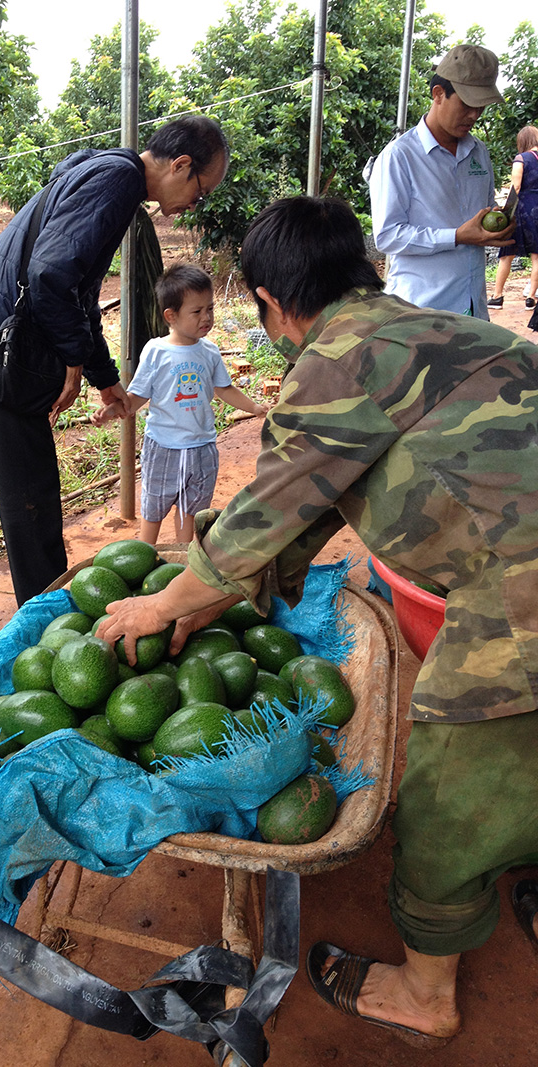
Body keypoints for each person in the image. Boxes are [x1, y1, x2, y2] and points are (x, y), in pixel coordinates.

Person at [98, 195, 538, 1047]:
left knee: (454, 798)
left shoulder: (331, 364)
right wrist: (222, 589)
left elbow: (264, 519)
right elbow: (306, 510)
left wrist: (162, 604)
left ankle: (424, 995)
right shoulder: (443, 329)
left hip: (520, 596)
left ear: (268, 297)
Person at [0, 116, 229, 605]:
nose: (191, 208)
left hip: (4, 335)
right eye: (200, 193)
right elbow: (52, 276)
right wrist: (76, 359)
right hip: (2, 342)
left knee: (34, 484)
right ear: (181, 166)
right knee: (27, 493)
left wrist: (102, 376)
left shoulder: (112, 175)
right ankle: (43, 617)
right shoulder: (117, 180)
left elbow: (80, 291)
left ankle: (45, 602)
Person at [92, 263, 267, 545]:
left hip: (202, 447)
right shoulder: (156, 350)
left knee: (191, 510)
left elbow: (225, 389)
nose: (206, 317)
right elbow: (138, 396)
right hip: (164, 447)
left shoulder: (209, 351)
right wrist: (114, 410)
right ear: (171, 316)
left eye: (209, 309)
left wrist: (255, 407)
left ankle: (182, 559)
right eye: (196, 312)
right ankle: (144, 555)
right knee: (154, 506)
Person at [370, 43, 515, 318]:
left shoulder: (479, 152)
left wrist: (498, 226)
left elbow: (483, 215)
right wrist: (457, 236)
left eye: (481, 106)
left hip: (473, 309)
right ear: (438, 94)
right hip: (421, 312)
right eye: (467, 104)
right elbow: (387, 236)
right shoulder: (400, 157)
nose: (474, 115)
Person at [487, 124, 538, 309]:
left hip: (522, 209)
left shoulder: (521, 158)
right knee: (537, 257)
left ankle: (497, 296)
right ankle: (531, 298)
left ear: (522, 141)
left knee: (507, 254)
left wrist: (506, 212)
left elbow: (515, 188)